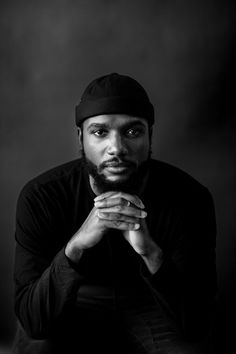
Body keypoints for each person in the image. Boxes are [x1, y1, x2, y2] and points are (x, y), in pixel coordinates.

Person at [12, 73, 217, 354]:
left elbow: (196, 323)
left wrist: (151, 253)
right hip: (73, 301)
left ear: (149, 136)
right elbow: (33, 320)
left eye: (133, 132)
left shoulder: (190, 198)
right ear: (80, 137)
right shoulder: (42, 196)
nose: (117, 148)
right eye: (100, 132)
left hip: (151, 304)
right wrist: (75, 246)